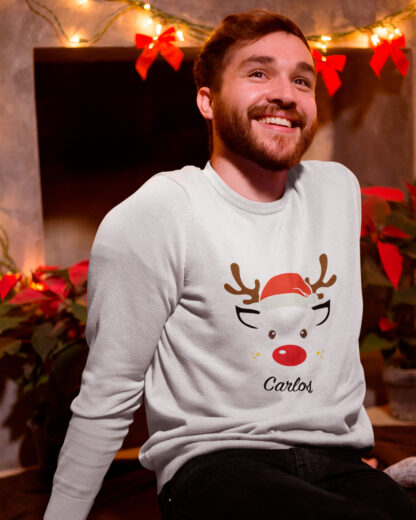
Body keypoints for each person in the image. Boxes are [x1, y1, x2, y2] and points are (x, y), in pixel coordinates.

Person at [44, 10, 416, 520]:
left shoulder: (337, 191)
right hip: (215, 464)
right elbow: (108, 391)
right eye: (259, 72)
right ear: (207, 101)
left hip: (339, 462)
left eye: (302, 80)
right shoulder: (159, 213)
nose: (286, 93)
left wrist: (358, 463)